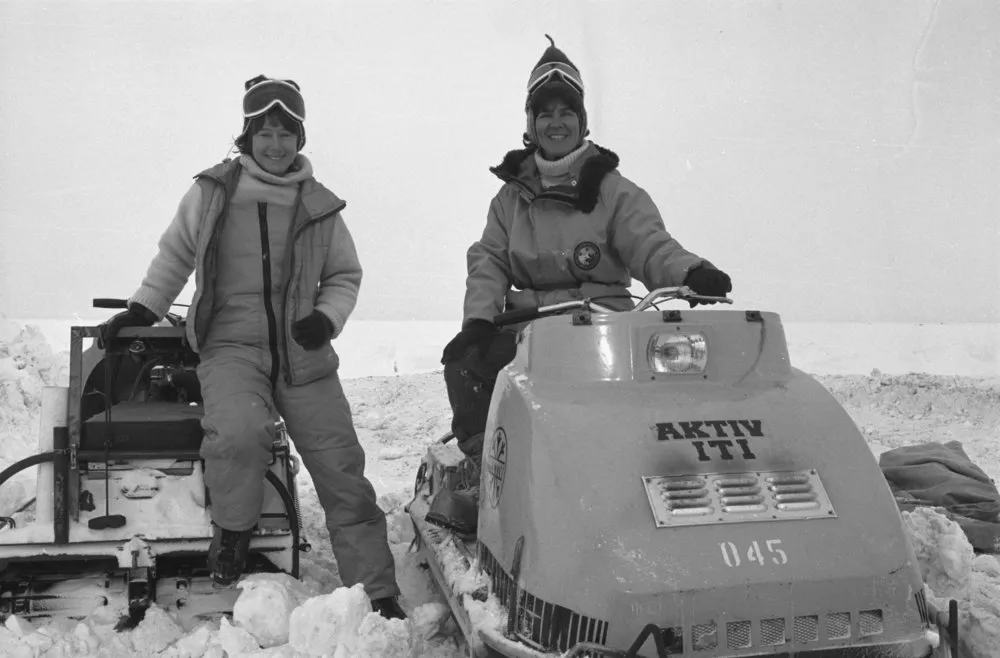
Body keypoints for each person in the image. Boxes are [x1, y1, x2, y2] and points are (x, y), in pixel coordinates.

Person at [100, 75, 406, 620]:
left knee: (341, 468)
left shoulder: (320, 205)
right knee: (239, 434)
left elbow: (344, 275)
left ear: (300, 139)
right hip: (230, 343)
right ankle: (234, 533)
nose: (275, 143)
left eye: (286, 132)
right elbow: (175, 255)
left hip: (301, 350)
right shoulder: (213, 192)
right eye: (264, 131)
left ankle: (378, 590)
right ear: (246, 135)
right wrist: (144, 308)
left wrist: (326, 317)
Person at [425, 37, 733, 535]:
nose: (556, 121)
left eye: (567, 110)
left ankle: (651, 485)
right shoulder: (509, 199)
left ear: (583, 120)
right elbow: (488, 261)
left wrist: (690, 271)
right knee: (466, 363)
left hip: (604, 334)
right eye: (544, 112)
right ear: (530, 125)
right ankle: (490, 478)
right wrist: (479, 319)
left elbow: (651, 245)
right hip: (528, 333)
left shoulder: (615, 191)